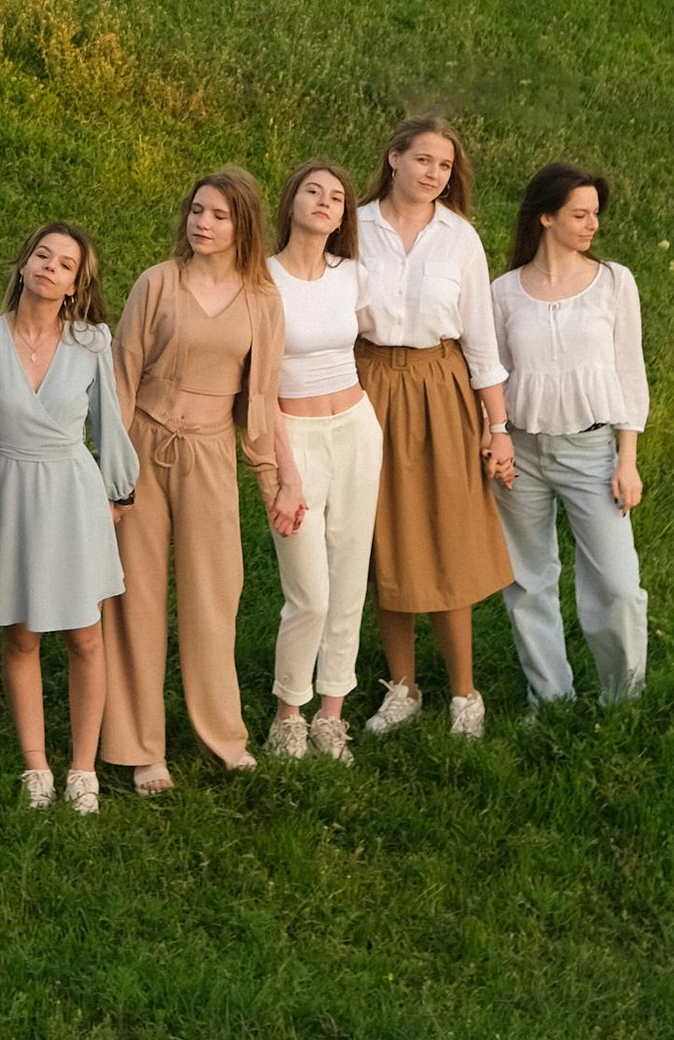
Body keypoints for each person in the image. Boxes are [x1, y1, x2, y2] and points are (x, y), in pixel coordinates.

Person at [103, 173, 303, 791]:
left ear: (242, 225)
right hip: (143, 445)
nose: (203, 223)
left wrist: (272, 479)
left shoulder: (262, 299)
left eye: (218, 215)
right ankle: (142, 747)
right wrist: (113, 475)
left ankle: (223, 736)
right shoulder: (157, 282)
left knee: (214, 596)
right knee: (135, 597)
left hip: (212, 454)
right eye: (196, 211)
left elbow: (262, 396)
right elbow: (120, 377)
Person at [0, 224, 137, 815]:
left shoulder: (91, 341)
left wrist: (117, 491)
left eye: (64, 264)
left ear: (74, 285)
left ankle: (83, 768)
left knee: (86, 634)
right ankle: (35, 764)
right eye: (42, 255)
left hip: (72, 493)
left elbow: (108, 421)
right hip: (7, 493)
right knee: (22, 633)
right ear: (23, 263)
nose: (49, 267)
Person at [356, 113, 514, 738]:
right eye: (423, 159)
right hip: (365, 384)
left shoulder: (460, 238)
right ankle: (402, 688)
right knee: (383, 536)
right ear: (394, 157)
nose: (434, 174)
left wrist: (497, 426)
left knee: (448, 535)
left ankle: (465, 694)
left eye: (444, 166)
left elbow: (481, 338)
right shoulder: (354, 226)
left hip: (440, 387)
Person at [493, 164, 649, 708]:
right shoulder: (504, 292)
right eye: (580, 215)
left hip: (593, 451)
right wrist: (496, 439)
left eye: (595, 215)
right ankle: (550, 700)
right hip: (523, 453)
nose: (592, 226)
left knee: (618, 584)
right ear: (546, 217)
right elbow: (494, 376)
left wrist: (626, 460)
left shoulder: (614, 282)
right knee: (529, 582)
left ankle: (622, 701)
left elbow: (630, 373)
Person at [262, 162, 385, 762]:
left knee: (348, 577)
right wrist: (283, 469)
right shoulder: (261, 280)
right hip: (294, 436)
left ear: (343, 216)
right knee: (307, 590)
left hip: (357, 430)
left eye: (337, 197)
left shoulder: (352, 276)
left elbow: (373, 340)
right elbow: (259, 388)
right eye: (314, 191)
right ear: (291, 203)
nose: (325, 202)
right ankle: (289, 710)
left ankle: (331, 712)